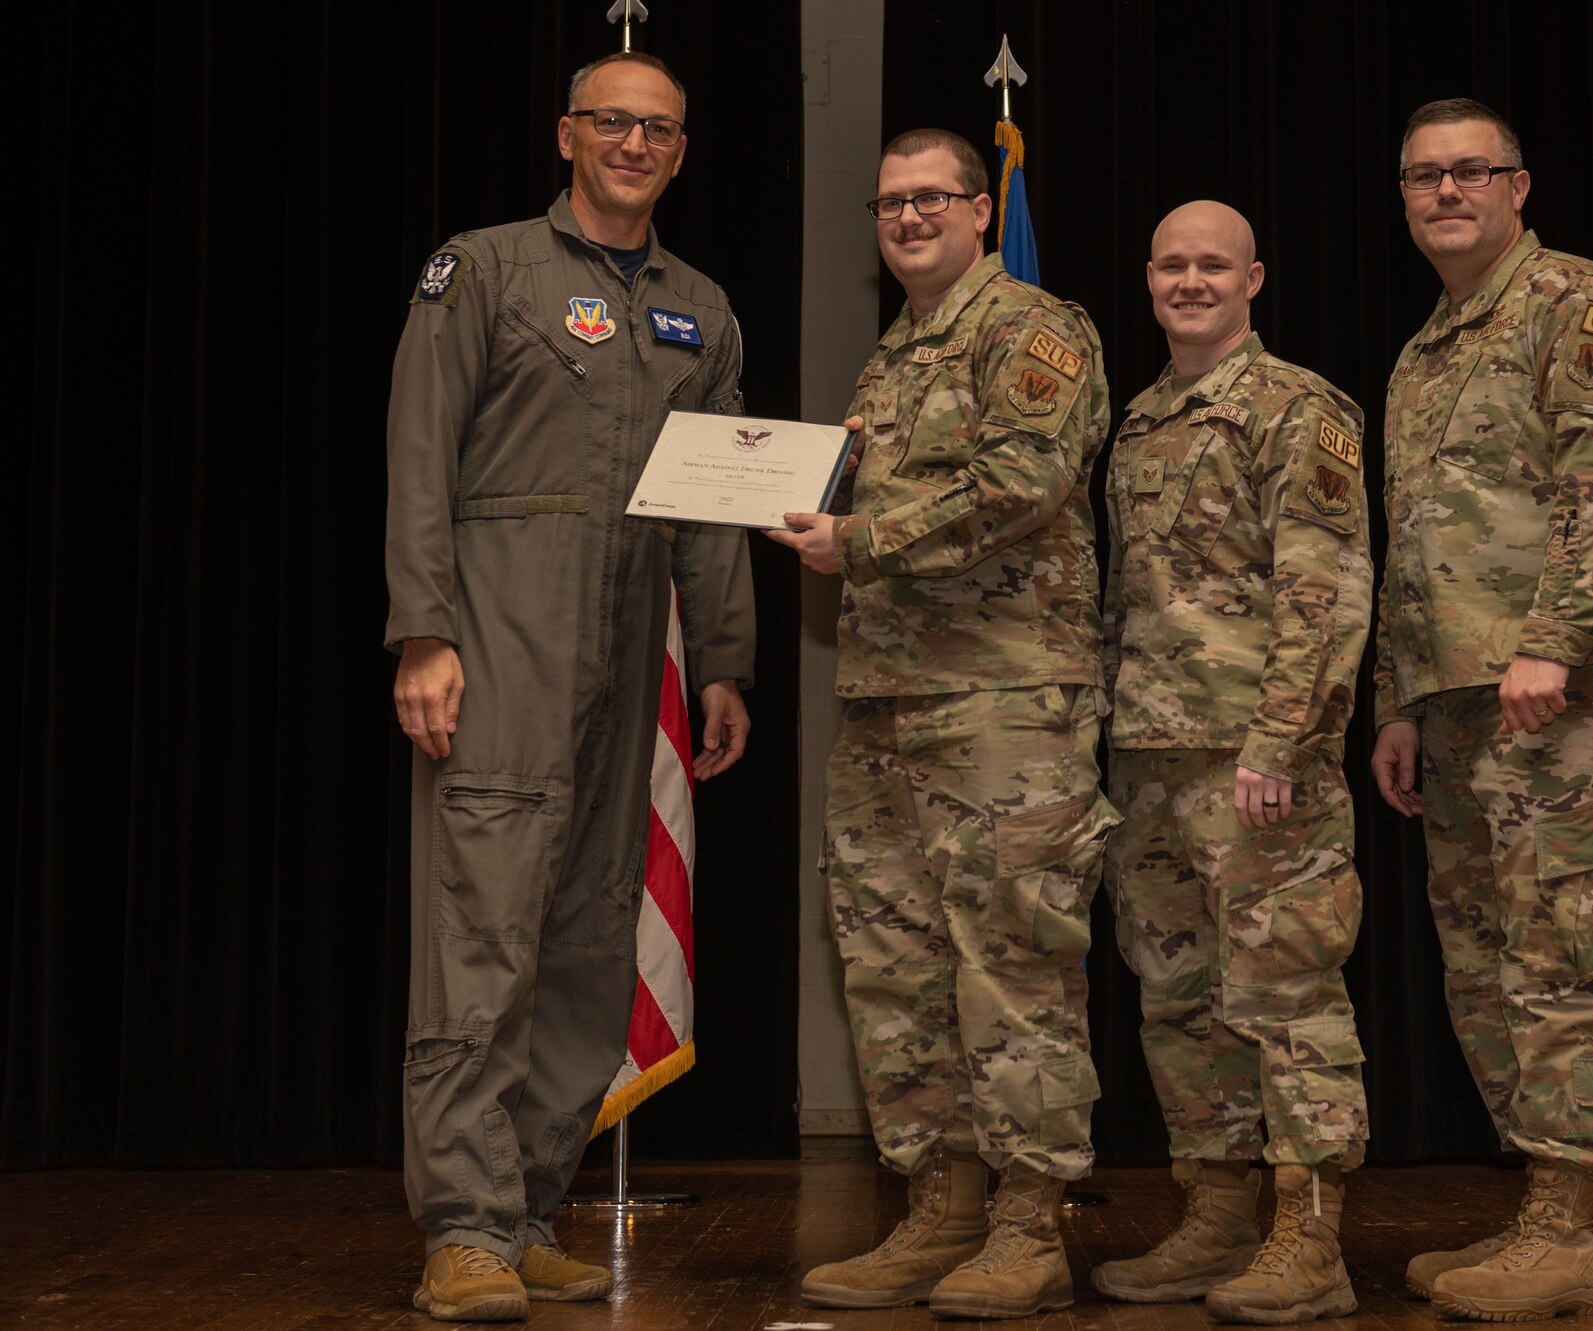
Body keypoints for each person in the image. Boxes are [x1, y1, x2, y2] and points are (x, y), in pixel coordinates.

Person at [385, 51, 754, 1322]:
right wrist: (422, 631)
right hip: (504, 647)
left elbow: (711, 511)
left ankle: (530, 1205)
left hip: (629, 671)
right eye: (612, 121)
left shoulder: (701, 309)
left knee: (593, 943)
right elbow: (419, 455)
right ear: (566, 135)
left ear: (680, 149)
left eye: (658, 127)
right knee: (483, 941)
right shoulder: (481, 270)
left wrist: (723, 664)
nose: (634, 142)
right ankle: (464, 1227)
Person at [766, 127, 1118, 1321]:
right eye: (891, 202)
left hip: (1007, 704)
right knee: (894, 964)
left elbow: (1023, 484)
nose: (909, 217)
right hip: (886, 701)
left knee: (1012, 962)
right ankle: (941, 1208)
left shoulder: (1033, 328)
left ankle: (1027, 1224)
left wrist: (852, 537)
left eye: (933, 199)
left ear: (982, 209)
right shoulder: (892, 358)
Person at [1369, 98, 1593, 1322]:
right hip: (1455, 705)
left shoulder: (1581, 304)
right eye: (1421, 177)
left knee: (1570, 952)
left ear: (1518, 187)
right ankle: (1546, 1214)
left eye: (1469, 173)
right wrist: (1394, 698)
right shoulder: (1423, 349)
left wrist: (1551, 640)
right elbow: (1411, 550)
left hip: (1568, 696)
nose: (1444, 193)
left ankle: (1569, 1230)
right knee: (1486, 966)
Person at [1088, 201, 1373, 1325]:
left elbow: (1324, 586)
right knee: (1177, 997)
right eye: (1171, 264)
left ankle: (1309, 1235)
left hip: (1255, 758)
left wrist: (1283, 744)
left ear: (1253, 278)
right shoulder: (1142, 417)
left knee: (1285, 992)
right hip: (1149, 757)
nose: (1190, 281)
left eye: (1213, 265)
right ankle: (1213, 1214)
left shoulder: (1296, 408)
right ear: (1148, 276)